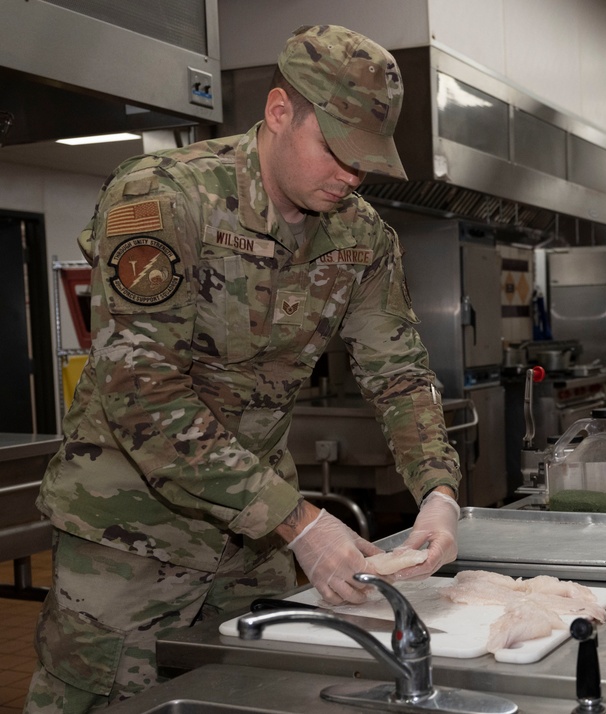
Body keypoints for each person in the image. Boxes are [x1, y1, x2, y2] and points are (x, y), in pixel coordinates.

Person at [24, 24, 461, 714]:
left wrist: (437, 489)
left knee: (248, 701)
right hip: (129, 543)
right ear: (281, 113)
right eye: (336, 151)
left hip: (252, 547)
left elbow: (398, 371)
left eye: (365, 161)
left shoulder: (362, 236)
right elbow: (142, 394)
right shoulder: (167, 198)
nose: (350, 176)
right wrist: (301, 524)